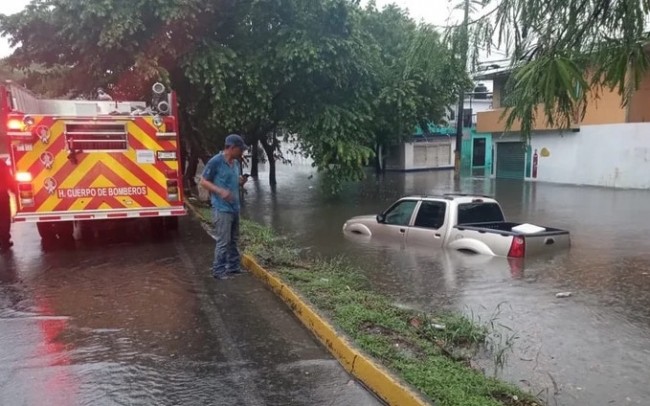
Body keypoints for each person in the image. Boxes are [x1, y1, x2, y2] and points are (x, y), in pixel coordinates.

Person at [200, 134, 249, 280]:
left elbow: (233, 181)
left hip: (235, 207)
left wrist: (240, 181)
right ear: (232, 148)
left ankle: (233, 267)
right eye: (240, 149)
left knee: (234, 239)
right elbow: (203, 181)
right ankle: (218, 271)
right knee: (223, 241)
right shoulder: (216, 162)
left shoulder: (236, 164)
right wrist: (220, 191)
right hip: (221, 209)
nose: (242, 152)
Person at [0, 158, 16, 251]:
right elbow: (8, 178)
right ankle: (5, 241)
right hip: (2, 197)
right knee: (4, 219)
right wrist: (14, 190)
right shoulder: (1, 163)